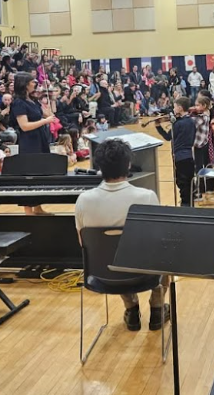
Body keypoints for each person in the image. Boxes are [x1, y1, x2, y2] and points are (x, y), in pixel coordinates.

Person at [74, 139, 169, 331]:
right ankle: (157, 306)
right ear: (128, 165)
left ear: (98, 166)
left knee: (113, 255)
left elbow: (82, 242)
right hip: (144, 275)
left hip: (102, 276)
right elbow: (157, 241)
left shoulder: (83, 200)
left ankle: (131, 308)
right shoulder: (146, 196)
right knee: (165, 252)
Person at [155, 97, 196, 207]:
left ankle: (185, 206)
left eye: (174, 107)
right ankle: (190, 204)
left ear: (180, 108)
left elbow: (168, 137)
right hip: (190, 156)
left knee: (182, 183)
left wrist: (158, 126)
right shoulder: (191, 121)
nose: (173, 109)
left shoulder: (178, 124)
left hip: (180, 156)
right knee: (189, 182)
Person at [11, 73, 52, 154]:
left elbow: (48, 114)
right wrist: (44, 121)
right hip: (30, 140)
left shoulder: (33, 100)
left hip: (40, 136)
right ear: (25, 84)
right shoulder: (19, 103)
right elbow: (24, 126)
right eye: (33, 82)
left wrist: (48, 98)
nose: (35, 84)